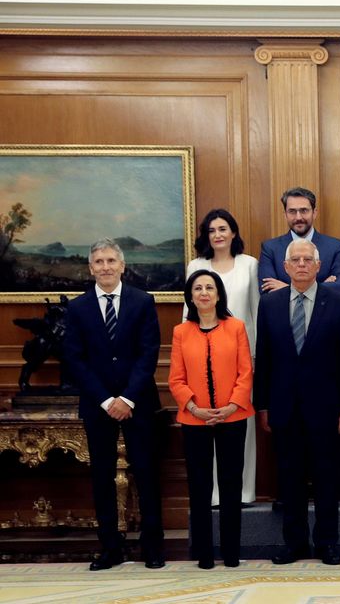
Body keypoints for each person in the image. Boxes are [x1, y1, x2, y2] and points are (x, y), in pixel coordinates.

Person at [254, 239, 340, 566]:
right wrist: (263, 406)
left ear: (318, 266)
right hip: (284, 408)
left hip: (327, 409)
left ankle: (327, 543)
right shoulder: (269, 304)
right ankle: (294, 543)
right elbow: (266, 360)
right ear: (285, 267)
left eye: (307, 260)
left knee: (327, 478)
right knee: (290, 479)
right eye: (295, 260)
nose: (301, 264)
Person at [62, 238, 164, 570]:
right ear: (90, 268)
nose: (105, 267)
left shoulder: (142, 302)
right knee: (102, 477)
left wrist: (127, 398)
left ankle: (152, 548)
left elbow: (149, 354)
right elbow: (75, 361)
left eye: (111, 261)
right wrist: (108, 401)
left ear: (122, 265)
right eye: (99, 262)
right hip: (98, 404)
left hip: (139, 402)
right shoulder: (77, 308)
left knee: (147, 474)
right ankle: (110, 549)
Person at [169, 270, 254, 569]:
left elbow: (246, 372)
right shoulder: (181, 332)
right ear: (190, 297)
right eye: (198, 288)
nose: (204, 293)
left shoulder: (236, 327)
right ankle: (204, 554)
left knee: (231, 485)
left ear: (219, 294)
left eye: (210, 288)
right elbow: (176, 379)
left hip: (234, 417)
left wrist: (232, 406)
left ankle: (231, 552)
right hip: (195, 421)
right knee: (200, 487)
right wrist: (193, 408)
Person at [184, 208, 259, 505]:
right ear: (206, 235)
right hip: (201, 356)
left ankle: (243, 491)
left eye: (223, 229)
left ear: (234, 233)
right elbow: (187, 315)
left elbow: (256, 310)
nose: (218, 235)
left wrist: (257, 356)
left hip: (242, 358)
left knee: (241, 422)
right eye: (212, 230)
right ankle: (212, 494)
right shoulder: (196, 266)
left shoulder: (249, 265)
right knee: (206, 423)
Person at [258, 186, 340, 294]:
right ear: (285, 215)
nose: (298, 217)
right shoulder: (270, 248)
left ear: (314, 213)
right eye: (292, 211)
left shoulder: (335, 247)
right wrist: (322, 287)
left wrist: (286, 288)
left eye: (304, 210)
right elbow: (267, 291)